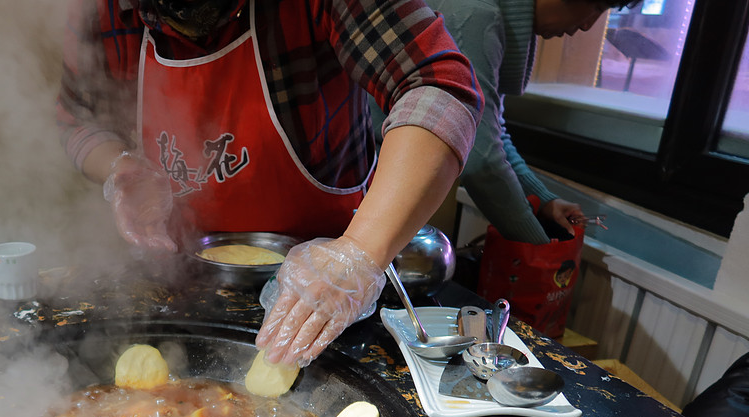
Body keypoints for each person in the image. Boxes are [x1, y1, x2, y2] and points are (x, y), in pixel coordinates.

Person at [57, 0, 483, 366]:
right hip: (179, 285)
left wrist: (357, 253)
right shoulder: (104, 11)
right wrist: (120, 166)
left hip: (329, 296)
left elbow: (438, 87)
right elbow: (76, 119)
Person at [424, 0, 639, 245]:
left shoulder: (491, 17)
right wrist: (540, 247)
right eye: (597, 7)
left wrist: (543, 199)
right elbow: (480, 157)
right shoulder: (475, 15)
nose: (589, 25)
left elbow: (490, 130)